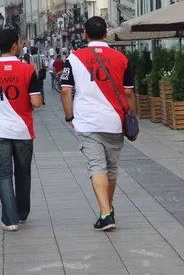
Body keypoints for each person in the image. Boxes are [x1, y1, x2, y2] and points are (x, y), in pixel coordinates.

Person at [60, 16, 137, 231]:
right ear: (106, 33)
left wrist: (69, 117)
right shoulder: (122, 58)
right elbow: (129, 92)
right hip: (115, 121)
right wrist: (132, 118)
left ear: (85, 33)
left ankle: (106, 213)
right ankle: (107, 210)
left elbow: (66, 90)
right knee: (111, 169)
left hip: (87, 122)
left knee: (97, 167)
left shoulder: (74, 58)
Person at [0, 29, 42, 231]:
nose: (21, 45)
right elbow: (36, 101)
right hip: (23, 130)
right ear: (14, 45)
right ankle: (22, 213)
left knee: (3, 175)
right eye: (20, 42)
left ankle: (9, 220)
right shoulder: (28, 70)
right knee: (23, 173)